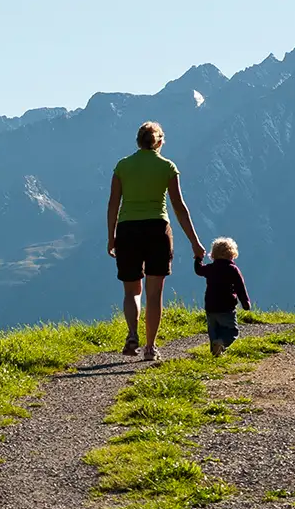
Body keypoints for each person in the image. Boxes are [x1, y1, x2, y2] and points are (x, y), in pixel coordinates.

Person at [107, 121, 206, 360]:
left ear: (138, 141)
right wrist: (195, 242)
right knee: (154, 293)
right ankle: (150, 347)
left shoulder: (122, 166)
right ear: (160, 142)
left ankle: (132, 334)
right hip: (158, 230)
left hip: (128, 231)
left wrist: (111, 237)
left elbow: (113, 204)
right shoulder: (167, 167)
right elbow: (179, 208)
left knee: (132, 290)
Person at [194, 237, 253, 357]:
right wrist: (245, 302)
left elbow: (199, 270)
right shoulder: (232, 269)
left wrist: (198, 258)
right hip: (226, 307)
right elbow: (240, 287)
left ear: (213, 255)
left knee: (213, 331)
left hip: (210, 306)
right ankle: (221, 344)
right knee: (232, 331)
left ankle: (216, 352)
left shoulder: (210, 268)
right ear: (232, 254)